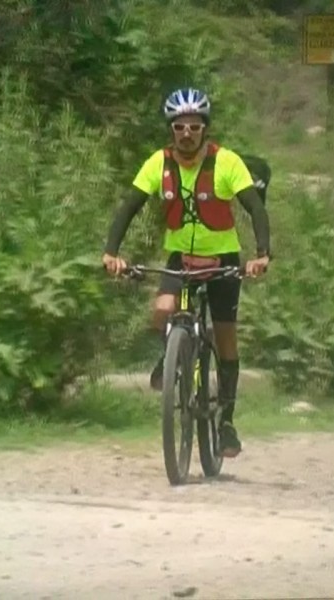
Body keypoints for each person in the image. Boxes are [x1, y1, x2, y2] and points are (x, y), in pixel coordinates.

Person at [102, 87, 271, 458]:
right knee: (163, 310)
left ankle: (226, 422)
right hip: (181, 258)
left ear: (204, 129)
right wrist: (111, 253)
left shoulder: (226, 162)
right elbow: (128, 207)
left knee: (226, 337)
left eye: (194, 126)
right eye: (180, 127)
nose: (187, 133)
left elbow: (254, 208)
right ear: (171, 130)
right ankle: (172, 355)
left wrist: (262, 254)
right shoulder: (157, 164)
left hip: (223, 259)